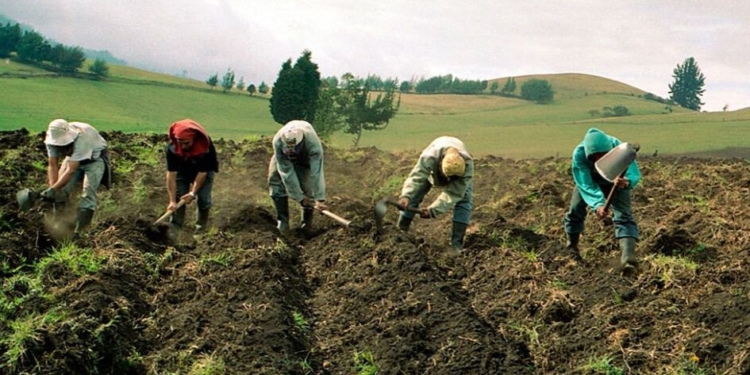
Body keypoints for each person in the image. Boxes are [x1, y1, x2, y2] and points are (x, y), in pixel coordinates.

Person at [563, 127, 641, 267]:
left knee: (624, 215)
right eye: (595, 157)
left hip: (617, 180)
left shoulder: (619, 148)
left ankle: (628, 258)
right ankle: (571, 248)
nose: (599, 159)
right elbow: (585, 183)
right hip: (591, 181)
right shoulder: (580, 154)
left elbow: (632, 171)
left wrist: (626, 181)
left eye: (603, 155)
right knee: (576, 210)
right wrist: (597, 204)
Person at [397, 136, 474, 252]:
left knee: (464, 201)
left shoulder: (467, 166)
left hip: (457, 177)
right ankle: (401, 230)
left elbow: (454, 193)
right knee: (415, 195)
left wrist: (433, 210)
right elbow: (417, 177)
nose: (449, 182)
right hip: (432, 172)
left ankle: (456, 245)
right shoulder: (430, 157)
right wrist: (406, 195)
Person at [41, 118, 111, 235]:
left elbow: (71, 170)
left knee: (88, 192)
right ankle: (57, 223)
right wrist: (53, 188)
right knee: (61, 190)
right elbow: (52, 164)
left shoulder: (82, 138)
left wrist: (54, 189)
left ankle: (80, 231)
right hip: (72, 159)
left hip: (94, 160)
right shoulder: (51, 141)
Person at [268, 120, 327, 233]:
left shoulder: (313, 145)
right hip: (283, 158)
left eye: (294, 148)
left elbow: (317, 172)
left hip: (305, 159)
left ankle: (306, 224)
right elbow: (286, 172)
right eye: (289, 148)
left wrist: (319, 198)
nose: (292, 151)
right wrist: (299, 197)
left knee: (308, 188)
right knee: (275, 180)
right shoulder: (278, 142)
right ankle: (283, 222)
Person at [165, 119, 218, 234]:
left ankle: (200, 231)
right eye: (181, 143)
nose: (183, 146)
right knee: (179, 199)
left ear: (194, 139)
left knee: (204, 199)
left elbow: (203, 172)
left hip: (202, 171)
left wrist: (192, 193)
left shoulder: (206, 147)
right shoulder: (172, 148)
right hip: (182, 171)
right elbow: (171, 174)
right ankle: (174, 231)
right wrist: (172, 201)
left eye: (187, 143)